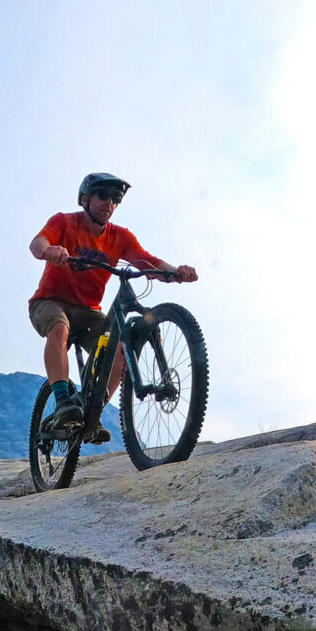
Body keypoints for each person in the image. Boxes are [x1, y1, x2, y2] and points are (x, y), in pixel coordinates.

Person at [28, 173, 197, 443]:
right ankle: (62, 402)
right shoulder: (64, 222)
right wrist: (50, 251)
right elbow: (37, 243)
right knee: (59, 327)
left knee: (119, 348)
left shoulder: (120, 237)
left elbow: (146, 260)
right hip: (50, 302)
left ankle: (93, 413)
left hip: (88, 311)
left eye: (116, 199)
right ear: (85, 199)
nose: (109, 203)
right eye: (103, 196)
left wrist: (175, 272)